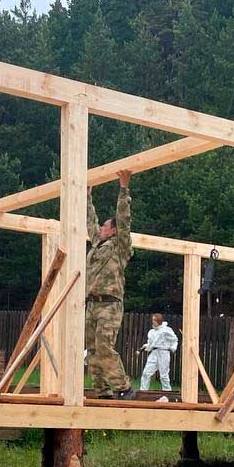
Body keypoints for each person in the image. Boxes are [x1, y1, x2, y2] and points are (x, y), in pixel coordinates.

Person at [86, 170, 136, 400]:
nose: (100, 229)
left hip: (110, 304)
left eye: (105, 226)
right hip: (92, 304)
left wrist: (123, 188)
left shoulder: (120, 246)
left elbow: (124, 220)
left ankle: (122, 387)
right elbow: (90, 222)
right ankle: (102, 391)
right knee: (93, 351)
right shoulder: (98, 244)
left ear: (113, 230)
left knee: (105, 346)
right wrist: (86, 196)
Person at [139, 313, 179, 392]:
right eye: (153, 320)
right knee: (146, 372)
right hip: (154, 352)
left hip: (164, 352)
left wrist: (173, 348)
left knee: (164, 375)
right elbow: (151, 344)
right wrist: (145, 346)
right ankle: (143, 391)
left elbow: (174, 340)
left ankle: (167, 391)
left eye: (154, 320)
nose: (153, 322)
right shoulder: (151, 332)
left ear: (159, 321)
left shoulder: (166, 330)